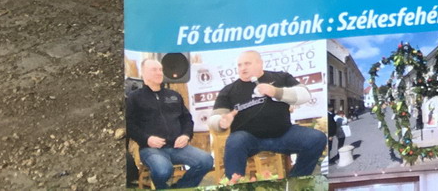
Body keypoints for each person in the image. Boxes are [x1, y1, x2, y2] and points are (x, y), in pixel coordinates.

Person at [209, 49, 327, 177]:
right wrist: (220, 122)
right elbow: (214, 118)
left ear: (260, 63)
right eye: (239, 65)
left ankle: (296, 180)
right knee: (234, 142)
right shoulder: (228, 90)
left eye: (247, 63)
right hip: (249, 139)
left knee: (317, 138)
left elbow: (305, 95)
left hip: (283, 134)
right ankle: (235, 183)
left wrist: (276, 92)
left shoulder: (281, 77)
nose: (243, 68)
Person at [126, 57, 214, 188]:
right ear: (143, 73)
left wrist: (185, 135)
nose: (159, 72)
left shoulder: (174, 95)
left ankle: (180, 188)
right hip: (151, 149)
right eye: (154, 70)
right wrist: (147, 139)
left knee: (206, 161)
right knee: (163, 171)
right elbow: (129, 124)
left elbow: (187, 119)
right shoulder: (134, 98)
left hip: (178, 148)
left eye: (160, 69)